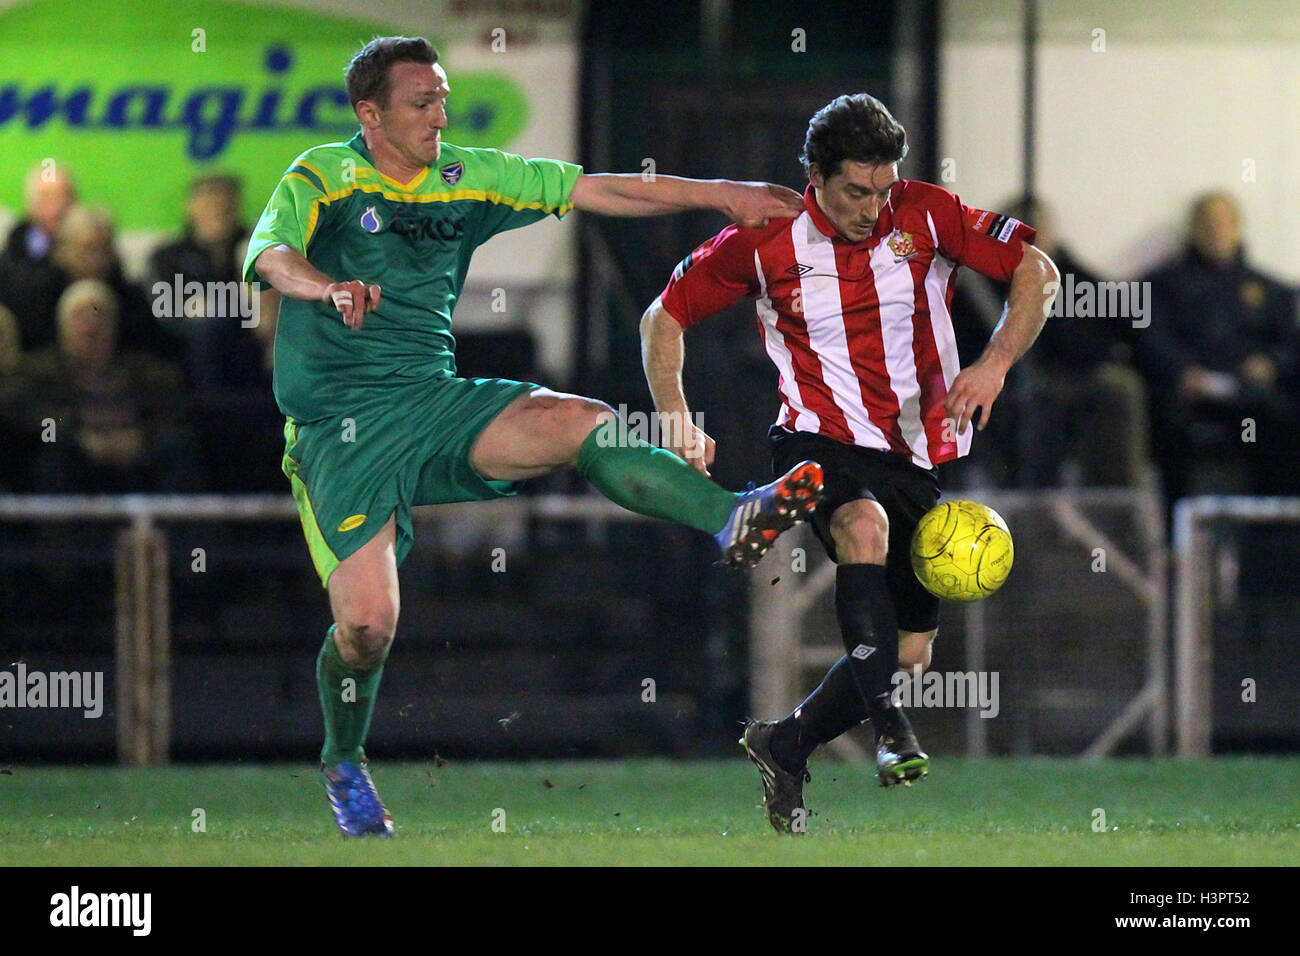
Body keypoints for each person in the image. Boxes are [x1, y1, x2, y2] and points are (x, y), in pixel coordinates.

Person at [243, 35, 823, 837]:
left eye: (444, 99)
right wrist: (326, 285)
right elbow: (267, 253)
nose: (439, 116)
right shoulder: (325, 174)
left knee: (581, 420)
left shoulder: (465, 176)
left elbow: (601, 190)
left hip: (432, 402)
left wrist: (720, 193)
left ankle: (731, 516)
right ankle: (344, 761)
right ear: (368, 114)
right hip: (339, 434)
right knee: (368, 628)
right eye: (421, 103)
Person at [640, 93, 1058, 833]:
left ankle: (786, 741)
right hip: (815, 436)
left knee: (910, 650)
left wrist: (994, 363)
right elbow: (662, 316)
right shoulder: (764, 240)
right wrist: (673, 411)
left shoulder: (927, 213)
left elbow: (1037, 269)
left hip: (914, 452)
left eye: (883, 188)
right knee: (861, 527)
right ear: (815, 177)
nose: (873, 207)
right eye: (856, 192)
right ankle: (892, 733)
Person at [1136, 191, 1298, 501]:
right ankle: (1177, 535)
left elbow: (1290, 343)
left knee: (1283, 420)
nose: (1216, 231)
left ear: (1238, 228)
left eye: (1224, 223)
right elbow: (1151, 338)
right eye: (1208, 223)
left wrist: (1272, 364)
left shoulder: (1271, 290)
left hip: (1253, 394)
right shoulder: (1161, 285)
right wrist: (1181, 371)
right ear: (1193, 228)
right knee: (1167, 424)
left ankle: (1272, 530)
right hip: (1186, 394)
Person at [0, 164, 77, 351]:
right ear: (31, 204)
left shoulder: (94, 249)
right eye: (49, 197)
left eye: (65, 196)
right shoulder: (13, 255)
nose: (59, 207)